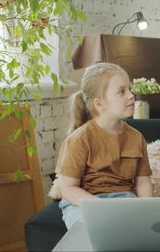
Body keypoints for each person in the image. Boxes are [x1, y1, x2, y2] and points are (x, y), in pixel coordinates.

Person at [55, 62, 153, 229]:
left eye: (129, 89)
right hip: (83, 204)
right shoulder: (79, 139)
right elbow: (68, 188)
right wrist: (102, 208)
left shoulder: (137, 138)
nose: (131, 95)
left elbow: (143, 183)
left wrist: (149, 210)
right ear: (99, 104)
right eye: (122, 92)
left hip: (125, 200)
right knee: (93, 232)